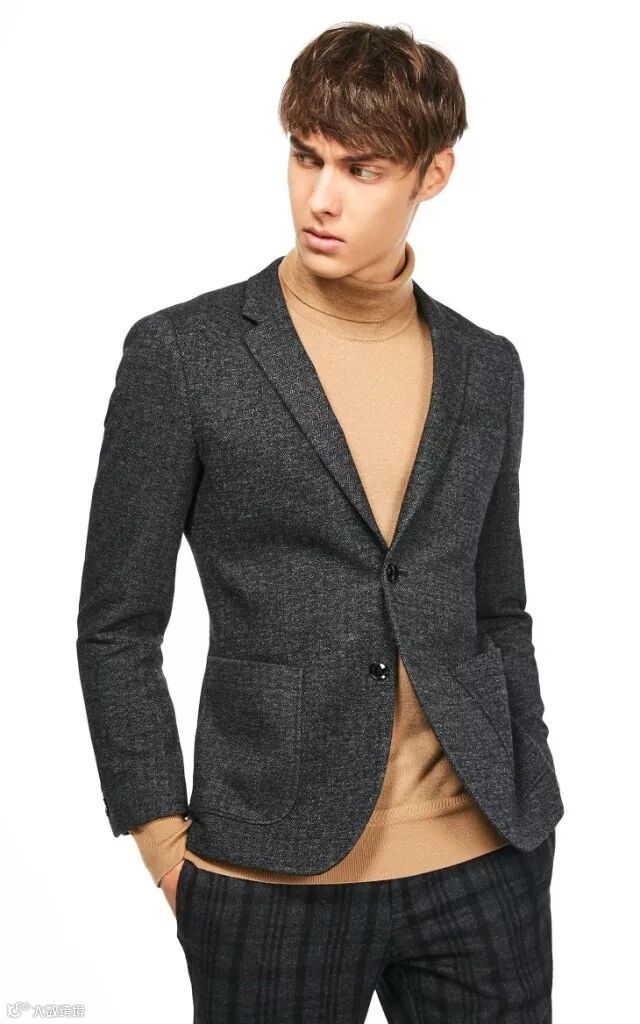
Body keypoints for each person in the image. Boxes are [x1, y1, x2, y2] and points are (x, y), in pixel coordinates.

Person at [76, 21, 563, 1022]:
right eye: (306, 157)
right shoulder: (185, 356)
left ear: (433, 175)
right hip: (267, 874)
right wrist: (164, 845)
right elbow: (116, 625)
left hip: (483, 857)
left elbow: (498, 607)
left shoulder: (486, 368)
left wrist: (529, 788)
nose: (320, 198)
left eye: (361, 169)